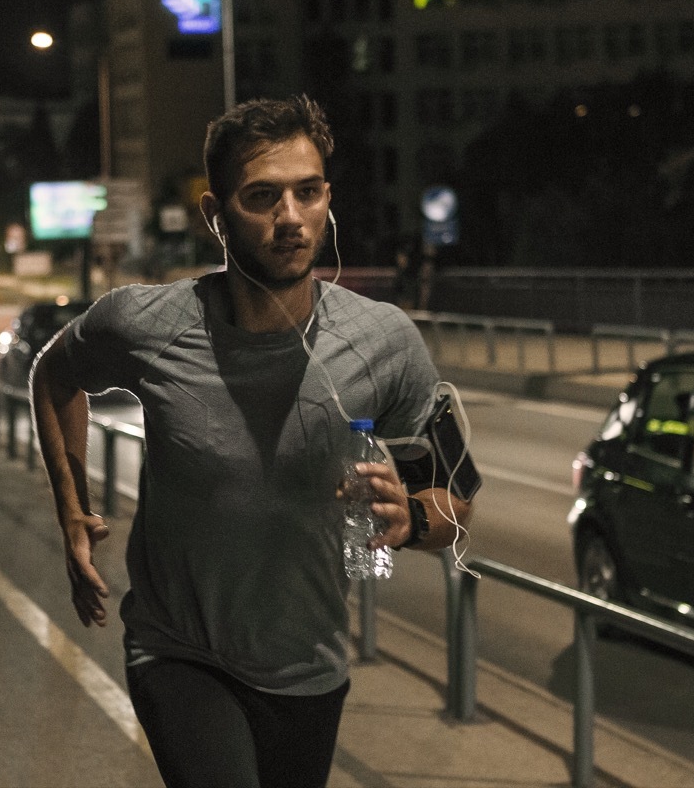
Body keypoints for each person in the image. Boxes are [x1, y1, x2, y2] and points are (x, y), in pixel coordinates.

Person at [31, 95, 473, 788]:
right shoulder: (145, 324)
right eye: (261, 197)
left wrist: (413, 519)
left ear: (328, 198)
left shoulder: (386, 342)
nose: (290, 219)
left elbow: (457, 501)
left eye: (307, 193)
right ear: (217, 216)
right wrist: (70, 511)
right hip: (179, 650)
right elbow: (55, 374)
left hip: (309, 668)